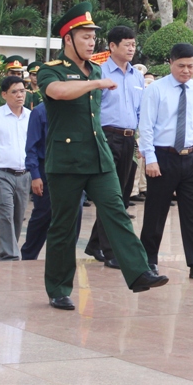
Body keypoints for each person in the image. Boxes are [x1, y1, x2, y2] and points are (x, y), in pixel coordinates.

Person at [39, 1, 167, 309]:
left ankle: (138, 273)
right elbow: (57, 92)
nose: (91, 41)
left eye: (92, 36)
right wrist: (94, 83)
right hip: (67, 160)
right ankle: (58, 288)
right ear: (67, 38)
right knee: (65, 225)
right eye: (84, 36)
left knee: (116, 211)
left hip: (99, 155)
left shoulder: (94, 68)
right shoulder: (51, 70)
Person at [139, 43, 193, 280]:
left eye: (190, 66)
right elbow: (146, 127)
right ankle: (149, 260)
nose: (186, 71)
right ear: (171, 63)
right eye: (181, 66)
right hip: (163, 157)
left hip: (191, 157)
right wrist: (150, 159)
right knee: (156, 212)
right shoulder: (156, 90)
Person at [86, 25, 144, 268]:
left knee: (120, 194)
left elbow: (141, 111)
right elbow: (93, 111)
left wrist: (142, 142)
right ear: (112, 46)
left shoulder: (137, 76)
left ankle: (95, 244)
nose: (132, 48)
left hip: (130, 138)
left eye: (133, 44)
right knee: (110, 195)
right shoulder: (99, 73)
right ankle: (111, 252)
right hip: (107, 137)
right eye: (127, 44)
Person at [21, 101, 83, 260]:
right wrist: (35, 175)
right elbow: (31, 147)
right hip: (47, 168)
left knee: (75, 212)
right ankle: (29, 254)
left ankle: (65, 255)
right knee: (43, 213)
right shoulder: (40, 112)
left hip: (73, 168)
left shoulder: (77, 108)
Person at [0, 75, 31, 261]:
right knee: (6, 215)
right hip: (2, 174)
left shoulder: (29, 117)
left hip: (24, 174)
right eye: (15, 92)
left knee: (18, 218)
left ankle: (4, 253)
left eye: (22, 91)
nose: (20, 95)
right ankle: (11, 255)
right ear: (4, 95)